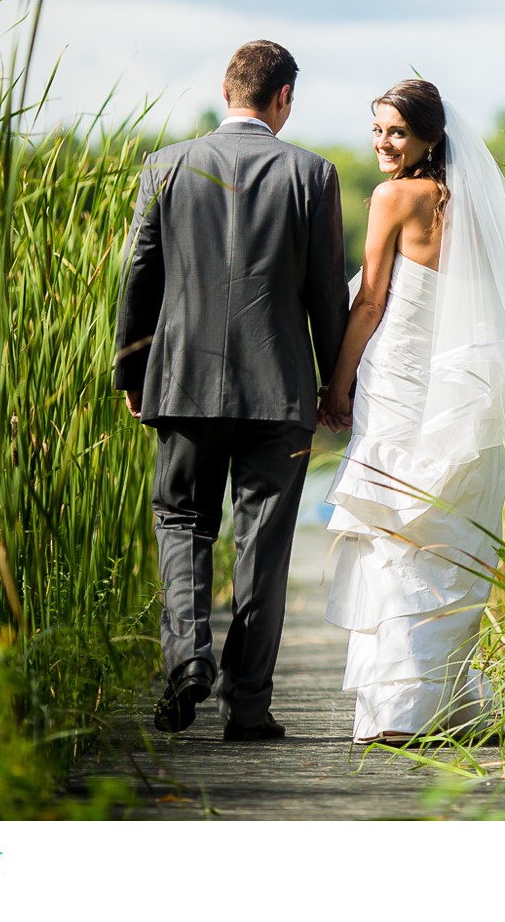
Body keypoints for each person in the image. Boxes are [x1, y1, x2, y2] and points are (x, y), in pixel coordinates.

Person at [320, 78, 505, 745]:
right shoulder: (470, 206)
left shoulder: (393, 196)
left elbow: (371, 301)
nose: (382, 142)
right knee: (444, 528)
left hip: (399, 370)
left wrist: (337, 386)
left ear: (429, 136)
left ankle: (401, 710)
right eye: (377, 129)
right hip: (455, 374)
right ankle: (448, 697)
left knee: (396, 531)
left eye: (396, 132)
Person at [114, 40, 349, 741]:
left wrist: (133, 371)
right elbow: (325, 296)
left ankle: (188, 657)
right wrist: (336, 386)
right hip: (278, 391)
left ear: (226, 90)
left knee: (182, 521)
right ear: (283, 99)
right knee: (263, 544)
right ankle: (247, 706)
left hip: (182, 382)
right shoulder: (312, 173)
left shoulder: (166, 166)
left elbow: (139, 277)